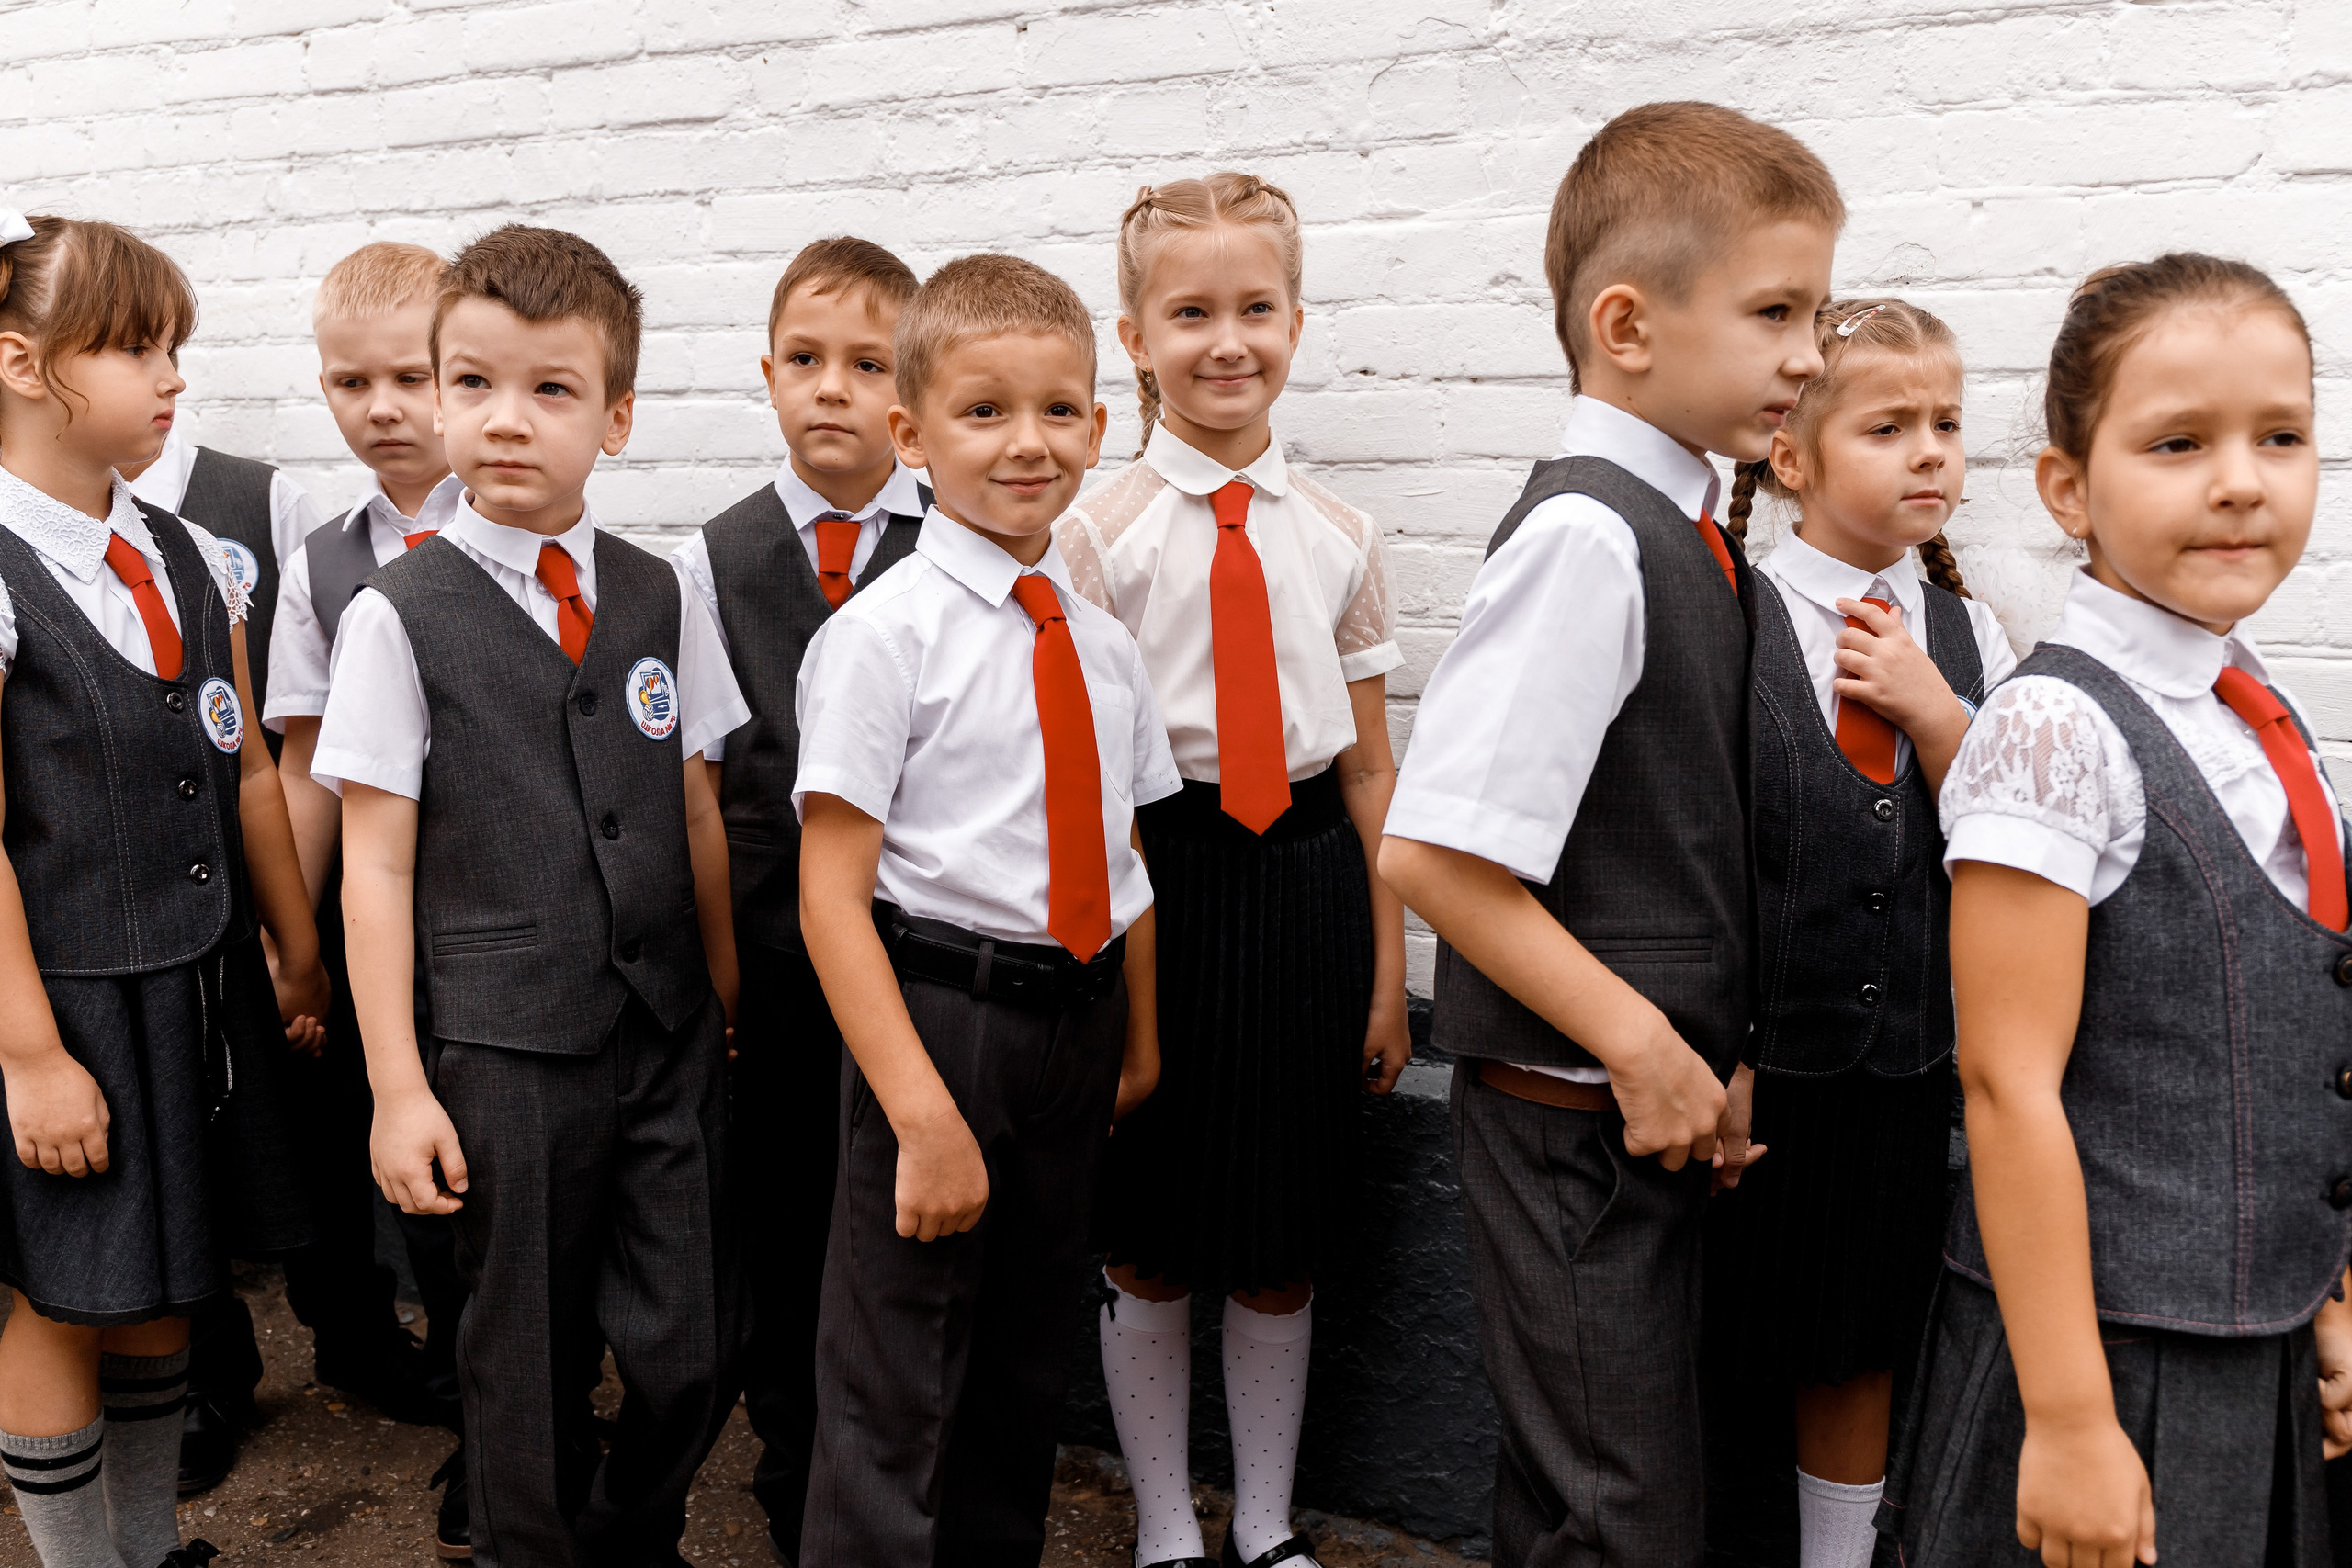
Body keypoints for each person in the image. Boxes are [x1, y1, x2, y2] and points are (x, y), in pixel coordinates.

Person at [1376, 102, 1843, 1567]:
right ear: (1626, 324)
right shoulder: (1591, 538)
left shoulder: (1700, 533)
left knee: (1605, 1500)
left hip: (1651, 1128)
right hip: (1577, 1131)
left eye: (1817, 314)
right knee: (1614, 1518)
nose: (1813, 356)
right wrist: (1645, 1047)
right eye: (1777, 311)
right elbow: (1436, 857)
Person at [1884, 254, 2352, 1566]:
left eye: (2283, 436)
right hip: (2105, 1357)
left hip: (2258, 1347)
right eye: (2177, 443)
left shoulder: (2254, 708)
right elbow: (2005, 1088)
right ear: (2068, 488)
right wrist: (2074, 1420)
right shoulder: (2054, 728)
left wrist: (2325, 1288)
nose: (2241, 480)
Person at [322, 224, 748, 1568]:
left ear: (615, 416)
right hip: (503, 1054)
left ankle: (629, 1533)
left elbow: (692, 800)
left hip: (664, 1035)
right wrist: (399, 1085)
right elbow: (375, 861)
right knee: (521, 1359)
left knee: (695, 1343)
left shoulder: (661, 590)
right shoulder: (401, 614)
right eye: (473, 384)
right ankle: (527, 1547)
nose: (507, 421)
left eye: (551, 389)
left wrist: (726, 995)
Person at [795, 253, 1179, 1567]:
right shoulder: (883, 633)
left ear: (1103, 418)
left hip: (1075, 1033)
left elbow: (1124, 852)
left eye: (1061, 409)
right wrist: (919, 1114)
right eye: (985, 411)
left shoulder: (1101, 641)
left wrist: (1135, 1036)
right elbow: (832, 899)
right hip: (942, 1027)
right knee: (896, 1388)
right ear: (911, 433)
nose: (1030, 442)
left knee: (1023, 1376)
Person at [1055, 172, 1409, 1568]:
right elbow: (1083, 784)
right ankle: (1162, 1527)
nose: (1227, 341)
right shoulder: (1095, 539)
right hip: (1165, 884)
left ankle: (1264, 1526)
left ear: (1298, 323)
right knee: (1151, 1227)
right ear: (1134, 337)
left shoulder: (1342, 537)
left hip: (1312, 887)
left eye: (1255, 308)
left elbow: (1373, 770)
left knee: (1282, 1234)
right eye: (1189, 312)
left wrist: (1389, 977)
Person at [0, 210, 326, 1568]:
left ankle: (146, 1548)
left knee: (161, 1296)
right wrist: (28, 1056)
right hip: (64, 1004)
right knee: (64, 1300)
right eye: (135, 346)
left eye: (173, 344)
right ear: (22, 363)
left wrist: (294, 951)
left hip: (193, 989)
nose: (171, 374)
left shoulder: (187, 552)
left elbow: (245, 762)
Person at [1709, 299, 2014, 1568]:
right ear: (1791, 456)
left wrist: (1940, 720)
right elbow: (1704, 864)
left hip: (1900, 1081)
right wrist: (1711, 1045)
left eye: (1945, 423)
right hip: (1760, 1079)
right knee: (1734, 1349)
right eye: (1890, 427)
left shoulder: (1971, 636)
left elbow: (2011, 850)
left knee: (1860, 1351)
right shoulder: (1739, 618)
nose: (1931, 453)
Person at [668, 233, 927, 1568]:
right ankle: (793, 1450)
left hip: (919, 944)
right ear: (769, 375)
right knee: (787, 1204)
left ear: (912, 389)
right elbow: (705, 784)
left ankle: (893, 1447)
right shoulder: (715, 559)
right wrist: (721, 971)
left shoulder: (955, 540)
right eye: (808, 362)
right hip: (773, 946)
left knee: (898, 1201)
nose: (834, 389)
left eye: (868, 364)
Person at [272, 239, 475, 1551]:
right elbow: (298, 762)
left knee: (498, 1176)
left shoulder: (512, 530)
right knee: (403, 1164)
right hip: (374, 920)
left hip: (497, 917)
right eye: (351, 380)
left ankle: (501, 1404)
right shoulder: (321, 562)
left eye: (411, 377)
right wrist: (296, 941)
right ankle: (435, 1376)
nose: (382, 407)